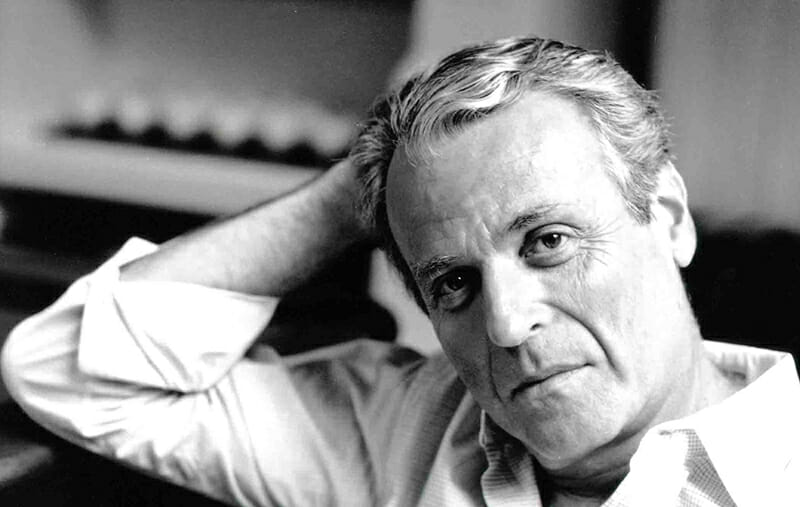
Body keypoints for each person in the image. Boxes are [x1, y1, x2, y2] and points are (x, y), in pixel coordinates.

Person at [2, 36, 798, 507]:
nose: (505, 323)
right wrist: (360, 191)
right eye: (453, 283)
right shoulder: (410, 428)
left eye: (548, 241)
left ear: (668, 216)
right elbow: (67, 371)